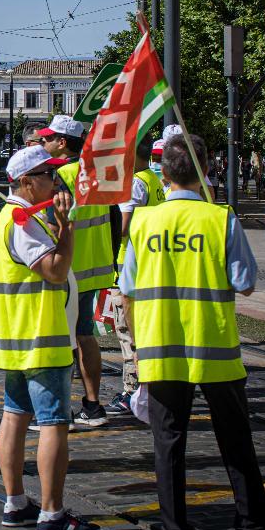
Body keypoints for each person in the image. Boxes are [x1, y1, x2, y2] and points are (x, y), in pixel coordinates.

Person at [120, 134, 265, 530]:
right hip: (215, 348)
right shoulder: (219, 218)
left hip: (160, 348)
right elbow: (244, 283)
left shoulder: (143, 222)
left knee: (168, 445)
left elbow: (129, 293)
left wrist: (137, 351)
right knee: (237, 442)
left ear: (164, 173)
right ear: (205, 170)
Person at [0, 146, 101, 530]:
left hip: (18, 336)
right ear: (27, 182)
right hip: (40, 338)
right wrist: (67, 227)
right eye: (48, 176)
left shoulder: (17, 217)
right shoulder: (21, 221)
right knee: (53, 423)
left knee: (15, 414)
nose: (56, 181)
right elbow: (54, 269)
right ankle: (52, 514)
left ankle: (16, 504)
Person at [39, 114, 112, 428]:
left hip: (69, 270)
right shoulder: (98, 173)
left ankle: (59, 411)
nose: (44, 143)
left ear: (62, 143)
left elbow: (53, 223)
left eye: (48, 139)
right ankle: (92, 405)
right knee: (86, 337)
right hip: (96, 268)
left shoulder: (61, 174)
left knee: (63, 342)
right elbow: (115, 218)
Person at [104, 137, 165, 417]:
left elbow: (124, 226)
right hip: (148, 261)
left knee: (128, 331)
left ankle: (132, 390)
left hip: (128, 262)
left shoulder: (134, 185)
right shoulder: (153, 180)